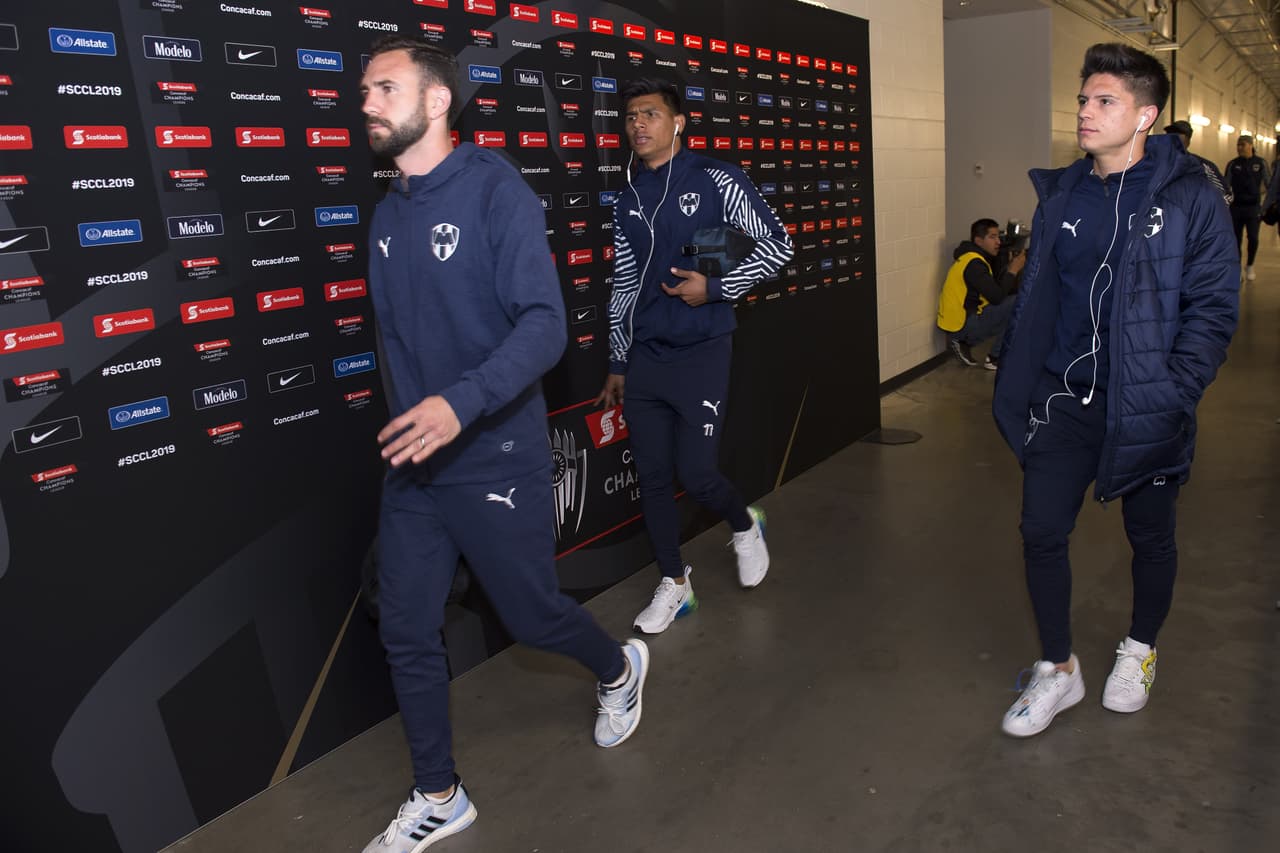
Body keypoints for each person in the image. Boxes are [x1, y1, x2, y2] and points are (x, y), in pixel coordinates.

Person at [359, 36, 649, 851]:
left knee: (531, 616)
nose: (368, 102)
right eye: (364, 91)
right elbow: (398, 345)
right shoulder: (386, 214)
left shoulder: (495, 191)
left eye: (385, 87)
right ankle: (439, 792)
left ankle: (619, 668)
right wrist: (416, 427)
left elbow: (547, 325)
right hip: (415, 467)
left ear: (437, 100)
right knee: (407, 628)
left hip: (494, 457)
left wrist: (464, 403)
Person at [992, 43, 1238, 738]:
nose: (1086, 112)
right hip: (1063, 400)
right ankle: (1058, 670)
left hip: (1147, 402)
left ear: (1146, 116)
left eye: (1105, 101)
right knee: (1041, 529)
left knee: (1150, 535)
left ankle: (1139, 649)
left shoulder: (1190, 197)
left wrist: (1174, 388)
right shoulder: (1064, 194)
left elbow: (1214, 307)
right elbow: (1038, 296)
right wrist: (1019, 378)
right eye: (1082, 99)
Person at [595, 78, 794, 635]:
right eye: (632, 115)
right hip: (646, 358)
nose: (639, 124)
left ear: (678, 122)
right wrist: (617, 359)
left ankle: (743, 523)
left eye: (651, 114)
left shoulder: (715, 177)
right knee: (654, 478)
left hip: (703, 349)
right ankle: (674, 583)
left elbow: (777, 244)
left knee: (698, 472)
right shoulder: (629, 198)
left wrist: (717, 287)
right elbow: (625, 282)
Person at [937, 218, 1025, 370]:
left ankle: (965, 342)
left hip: (961, 320)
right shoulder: (974, 264)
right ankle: (993, 357)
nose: (998, 242)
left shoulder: (971, 257)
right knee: (1019, 302)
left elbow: (997, 291)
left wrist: (1008, 269)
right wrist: (1013, 270)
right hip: (962, 324)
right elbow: (997, 297)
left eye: (998, 236)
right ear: (978, 241)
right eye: (992, 237)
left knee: (1012, 305)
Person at [1223, 133, 1269, 280]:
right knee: (1236, 239)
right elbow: (1225, 185)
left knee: (1253, 238)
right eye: (1238, 145)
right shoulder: (1232, 164)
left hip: (1253, 207)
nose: (1240, 148)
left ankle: (1249, 265)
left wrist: (1266, 202)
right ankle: (1237, 267)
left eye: (1243, 145)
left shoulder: (1260, 163)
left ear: (1251, 145)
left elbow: (1269, 184)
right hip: (1236, 208)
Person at [1162, 119, 1229, 203]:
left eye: (1177, 133)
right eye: (1169, 133)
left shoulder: (1202, 165)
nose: (1171, 137)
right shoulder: (1157, 163)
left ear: (1188, 139)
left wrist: (1203, 212)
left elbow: (1226, 195)